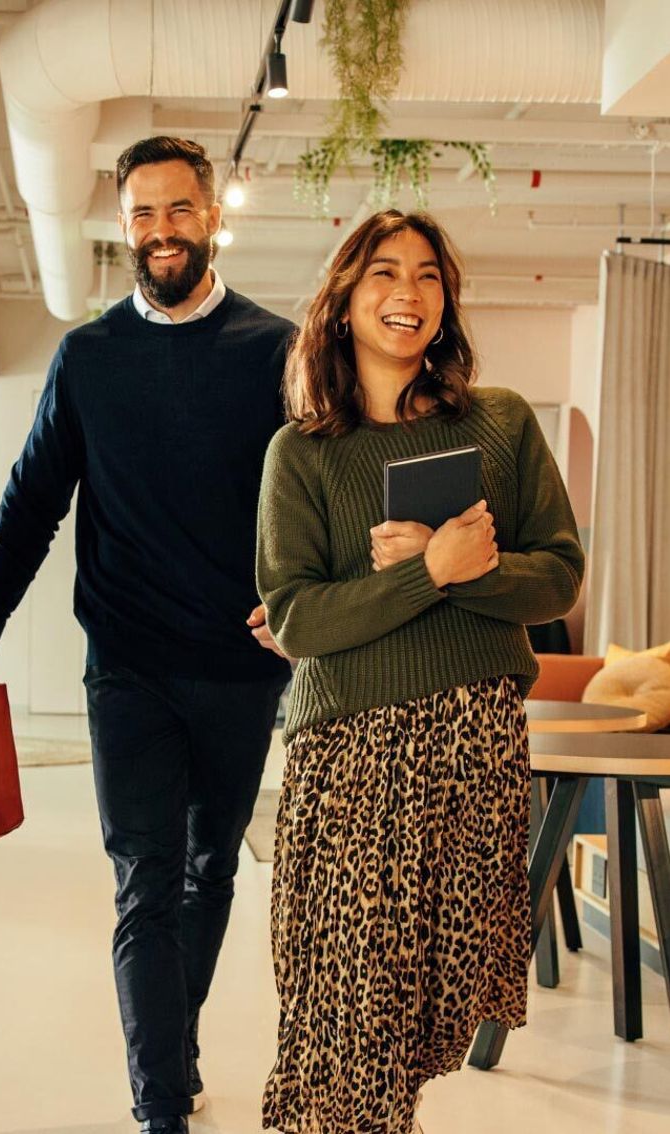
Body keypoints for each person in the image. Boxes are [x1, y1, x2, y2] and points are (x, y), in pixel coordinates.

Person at [0, 137, 294, 1133]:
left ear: (210, 218)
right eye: (142, 214)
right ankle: (158, 1098)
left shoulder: (275, 352)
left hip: (244, 664)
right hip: (129, 664)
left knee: (211, 869)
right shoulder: (89, 358)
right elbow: (31, 503)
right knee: (145, 875)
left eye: (178, 210)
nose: (160, 231)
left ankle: (173, 1045)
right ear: (123, 227)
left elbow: (316, 497)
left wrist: (300, 600)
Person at [255, 210, 584, 1133]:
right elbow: (296, 617)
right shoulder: (303, 454)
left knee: (425, 1015)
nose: (409, 294)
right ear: (344, 301)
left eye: (429, 276)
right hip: (354, 756)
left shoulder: (503, 424)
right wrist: (428, 572)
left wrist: (468, 568)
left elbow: (556, 577)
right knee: (347, 1017)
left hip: (474, 751)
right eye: (383, 275)